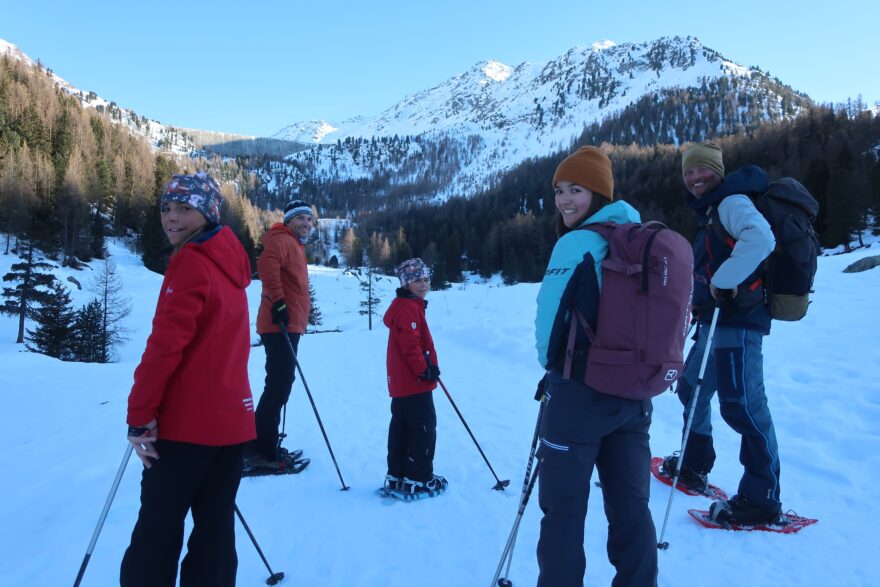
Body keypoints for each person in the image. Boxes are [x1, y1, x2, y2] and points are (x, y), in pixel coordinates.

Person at [121, 172, 255, 586]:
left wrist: (139, 414)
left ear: (208, 212)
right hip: (231, 427)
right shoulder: (228, 263)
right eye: (166, 208)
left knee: (157, 534)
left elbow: (165, 347)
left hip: (187, 429)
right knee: (215, 532)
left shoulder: (193, 262)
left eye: (184, 208)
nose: (172, 218)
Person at [534, 146, 657, 586]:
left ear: (600, 194)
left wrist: (554, 367)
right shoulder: (639, 234)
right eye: (559, 191)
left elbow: (547, 330)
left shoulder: (578, 242)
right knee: (630, 508)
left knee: (563, 513)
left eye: (576, 190)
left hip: (579, 396)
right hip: (635, 397)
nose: (565, 200)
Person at [661, 142, 782, 525]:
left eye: (704, 170)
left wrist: (723, 279)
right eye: (689, 172)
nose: (696, 178)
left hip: (739, 322)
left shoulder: (732, 202)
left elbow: (762, 239)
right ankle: (695, 463)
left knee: (743, 405)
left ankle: (761, 499)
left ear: (720, 171)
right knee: (691, 387)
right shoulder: (714, 207)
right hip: (715, 320)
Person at [249, 200, 314, 472]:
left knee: (280, 383)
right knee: (278, 384)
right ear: (289, 221)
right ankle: (262, 450)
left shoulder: (294, 244)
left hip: (288, 323)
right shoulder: (281, 239)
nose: (307, 224)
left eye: (310, 220)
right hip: (280, 324)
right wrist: (279, 303)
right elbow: (267, 264)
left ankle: (262, 443)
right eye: (301, 219)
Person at [381, 258, 447, 498]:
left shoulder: (406, 305)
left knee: (401, 426)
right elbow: (410, 344)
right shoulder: (409, 307)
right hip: (414, 382)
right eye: (417, 279)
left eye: (426, 279)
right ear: (406, 283)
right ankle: (418, 477)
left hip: (402, 384)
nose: (423, 284)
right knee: (423, 428)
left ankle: (398, 473)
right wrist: (424, 369)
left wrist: (427, 365)